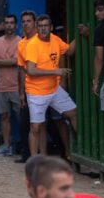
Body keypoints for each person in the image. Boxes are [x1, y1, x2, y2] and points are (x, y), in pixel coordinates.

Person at [22, 15, 78, 159]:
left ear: (51, 27)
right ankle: (34, 161)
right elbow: (31, 70)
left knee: (73, 113)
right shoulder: (33, 45)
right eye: (40, 26)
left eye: (46, 25)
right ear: (37, 28)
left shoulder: (55, 39)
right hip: (36, 91)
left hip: (53, 89)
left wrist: (80, 34)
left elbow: (69, 51)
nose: (43, 28)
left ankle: (78, 151)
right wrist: (55, 71)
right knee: (36, 127)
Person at [0, 14, 23, 156]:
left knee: (21, 116)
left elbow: (17, 61)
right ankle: (6, 145)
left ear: (16, 26)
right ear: (4, 25)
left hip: (17, 85)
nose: (9, 25)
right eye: (6, 22)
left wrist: (0, 61)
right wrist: (9, 60)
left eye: (11, 23)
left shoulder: (21, 41)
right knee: (4, 116)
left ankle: (23, 145)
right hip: (1, 85)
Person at [15, 11, 38, 164]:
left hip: (46, 87)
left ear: (34, 22)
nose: (26, 24)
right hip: (30, 89)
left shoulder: (40, 40)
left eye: (29, 21)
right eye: (23, 21)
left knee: (54, 123)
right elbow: (21, 70)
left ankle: (65, 152)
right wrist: (21, 92)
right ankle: (28, 155)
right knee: (27, 122)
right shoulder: (22, 43)